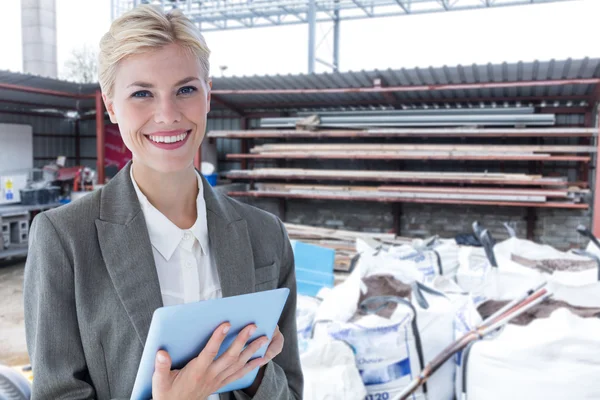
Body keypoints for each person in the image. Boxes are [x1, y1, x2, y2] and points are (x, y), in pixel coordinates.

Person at [23, 5, 302, 400]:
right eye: (142, 94)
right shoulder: (65, 239)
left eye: (185, 89)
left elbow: (291, 391)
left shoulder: (265, 235)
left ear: (208, 95)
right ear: (112, 106)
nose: (167, 115)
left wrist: (254, 372)